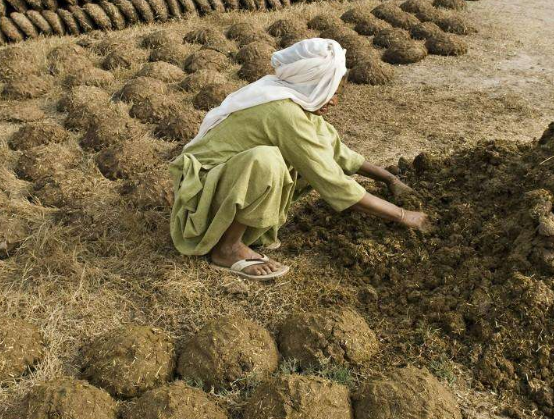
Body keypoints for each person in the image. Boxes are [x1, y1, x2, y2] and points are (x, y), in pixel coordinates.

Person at [169, 37, 429, 281]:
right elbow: (333, 182)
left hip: (226, 182)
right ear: (313, 84)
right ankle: (228, 248)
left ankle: (248, 232)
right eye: (331, 91)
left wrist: (390, 180)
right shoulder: (283, 111)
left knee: (301, 156)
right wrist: (403, 216)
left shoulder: (291, 99)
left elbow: (337, 152)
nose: (335, 101)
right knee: (267, 161)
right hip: (200, 196)